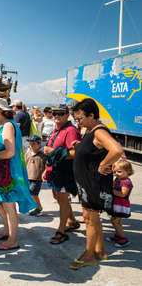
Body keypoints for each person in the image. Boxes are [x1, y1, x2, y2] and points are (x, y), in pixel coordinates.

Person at [70, 98, 123, 269]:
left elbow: (116, 150)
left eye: (80, 119)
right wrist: (80, 145)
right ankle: (100, 251)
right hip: (88, 183)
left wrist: (103, 164)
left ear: (91, 115)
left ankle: (89, 255)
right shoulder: (91, 130)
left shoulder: (99, 131)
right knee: (91, 216)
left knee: (89, 218)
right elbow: (93, 150)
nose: (78, 122)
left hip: (94, 184)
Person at [0, 98, 37, 250]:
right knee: (1, 202)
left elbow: (9, 152)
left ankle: (13, 240)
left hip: (8, 173)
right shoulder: (5, 125)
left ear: (1, 110)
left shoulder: (8, 125)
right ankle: (7, 231)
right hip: (4, 171)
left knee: (9, 206)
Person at [43, 104, 81, 245]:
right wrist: (46, 170)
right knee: (58, 197)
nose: (57, 116)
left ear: (67, 115)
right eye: (54, 114)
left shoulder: (71, 130)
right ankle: (71, 221)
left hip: (65, 172)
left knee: (63, 200)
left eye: (61, 113)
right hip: (55, 172)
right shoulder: (56, 130)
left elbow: (75, 153)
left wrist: (52, 152)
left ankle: (61, 231)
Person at [108, 160, 134, 248]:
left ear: (128, 171)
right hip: (117, 204)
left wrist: (111, 191)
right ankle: (118, 235)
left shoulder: (126, 182)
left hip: (122, 205)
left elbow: (123, 194)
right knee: (114, 220)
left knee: (116, 221)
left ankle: (123, 239)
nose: (116, 174)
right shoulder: (118, 179)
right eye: (115, 171)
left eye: (119, 171)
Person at [25, 135, 46, 216]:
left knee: (33, 193)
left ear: (39, 144)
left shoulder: (43, 155)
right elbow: (24, 164)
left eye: (33, 144)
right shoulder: (28, 153)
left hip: (37, 178)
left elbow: (47, 165)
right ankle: (35, 206)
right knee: (30, 193)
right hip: (28, 177)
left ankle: (39, 207)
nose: (31, 146)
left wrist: (45, 173)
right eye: (30, 144)